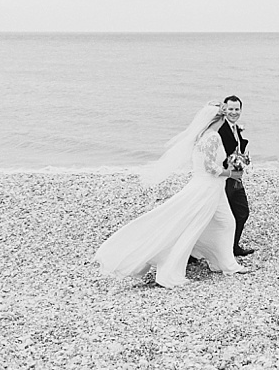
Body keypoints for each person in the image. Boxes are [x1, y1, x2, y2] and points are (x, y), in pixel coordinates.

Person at [95, 102, 247, 288]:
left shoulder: (202, 136)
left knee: (223, 222)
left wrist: (231, 165)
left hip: (211, 186)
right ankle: (219, 265)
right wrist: (232, 173)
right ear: (221, 118)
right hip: (206, 188)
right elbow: (209, 168)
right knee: (193, 225)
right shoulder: (212, 137)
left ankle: (222, 263)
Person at [216, 95, 254, 257]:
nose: (234, 112)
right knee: (214, 217)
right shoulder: (219, 129)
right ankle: (195, 252)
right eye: (230, 109)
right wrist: (230, 168)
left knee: (242, 212)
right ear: (224, 109)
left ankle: (233, 246)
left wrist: (242, 161)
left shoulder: (236, 128)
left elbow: (237, 149)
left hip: (236, 178)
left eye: (237, 109)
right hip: (223, 179)